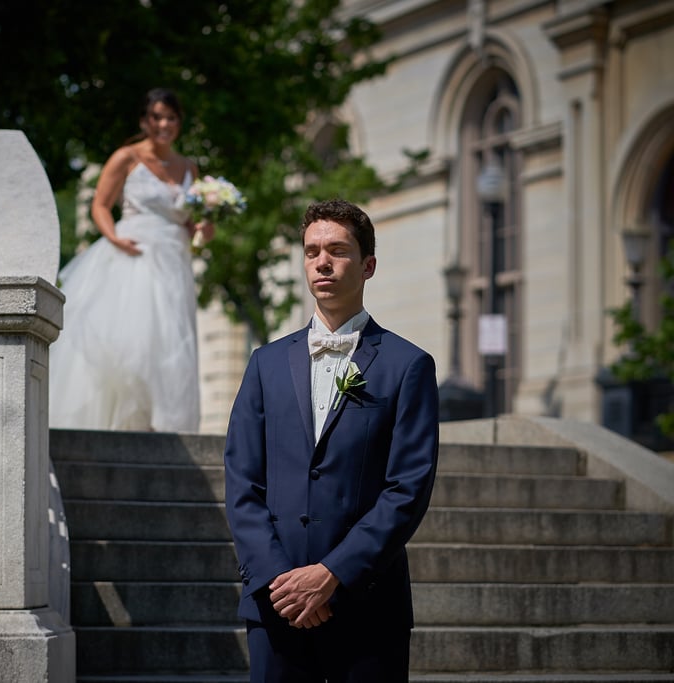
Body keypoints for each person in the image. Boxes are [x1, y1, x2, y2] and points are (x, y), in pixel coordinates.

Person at [223, 199, 439, 681]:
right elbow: (242, 482)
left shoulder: (409, 367)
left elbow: (408, 488)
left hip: (367, 607)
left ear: (368, 266)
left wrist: (331, 575)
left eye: (337, 251)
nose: (322, 261)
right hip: (274, 605)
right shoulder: (265, 364)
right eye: (311, 251)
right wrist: (282, 581)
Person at [49, 88, 211, 432]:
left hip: (174, 260)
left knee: (171, 342)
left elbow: (188, 220)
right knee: (134, 340)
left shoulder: (188, 168)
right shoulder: (127, 157)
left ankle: (161, 424)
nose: (163, 124)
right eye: (156, 117)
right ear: (144, 121)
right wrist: (114, 238)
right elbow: (101, 205)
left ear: (179, 123)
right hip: (132, 254)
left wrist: (203, 228)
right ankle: (127, 424)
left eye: (170, 117)